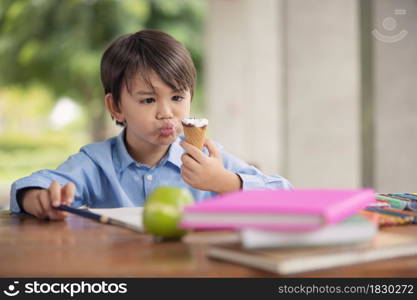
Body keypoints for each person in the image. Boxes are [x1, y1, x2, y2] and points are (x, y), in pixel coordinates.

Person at [10, 29, 292, 220]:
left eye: (177, 97)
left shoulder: (207, 159)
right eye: (147, 100)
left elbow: (285, 195)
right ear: (116, 107)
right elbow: (32, 185)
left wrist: (224, 182)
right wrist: (39, 199)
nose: (166, 113)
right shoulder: (96, 163)